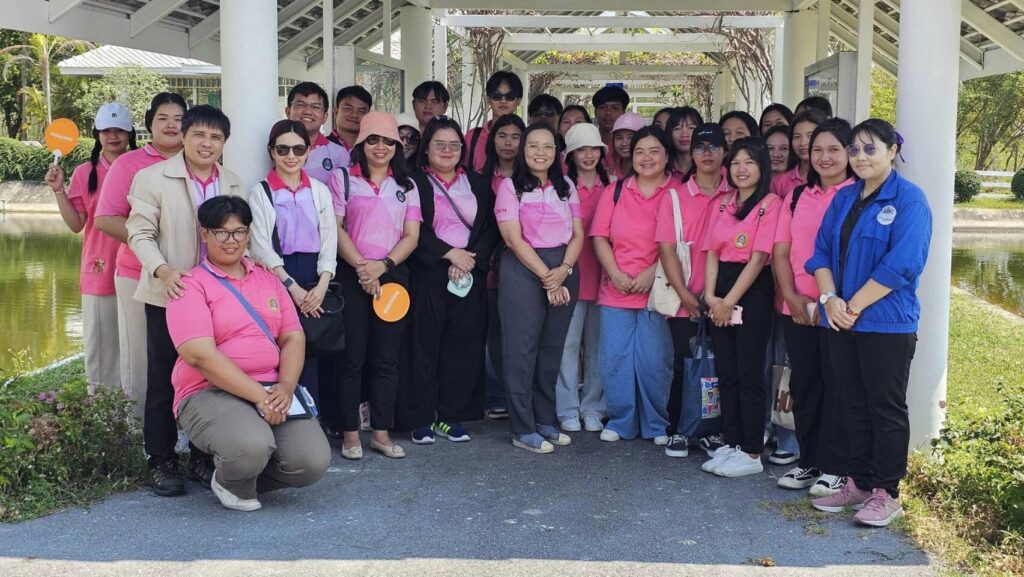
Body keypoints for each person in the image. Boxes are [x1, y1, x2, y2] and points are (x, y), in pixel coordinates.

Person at [168, 196, 330, 512]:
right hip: (209, 390)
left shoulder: (268, 279)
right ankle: (233, 482)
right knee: (251, 445)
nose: (231, 240)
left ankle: (241, 475)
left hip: (271, 387)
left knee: (311, 461)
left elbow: (293, 337)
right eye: (222, 232)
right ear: (205, 234)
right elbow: (199, 355)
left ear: (248, 233)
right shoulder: (190, 284)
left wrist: (285, 387)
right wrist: (260, 396)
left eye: (239, 232)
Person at [807, 119, 931, 527]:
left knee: (885, 407)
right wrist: (829, 299)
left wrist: (852, 306)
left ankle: (886, 492)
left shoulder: (910, 200)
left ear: (892, 151)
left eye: (870, 148)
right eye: (855, 150)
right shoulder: (845, 198)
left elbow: (903, 264)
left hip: (885, 324)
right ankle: (858, 482)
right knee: (851, 403)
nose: (860, 157)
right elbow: (820, 253)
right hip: (841, 320)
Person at [126, 105, 247, 497]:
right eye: (199, 134)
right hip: (170, 294)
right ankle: (161, 459)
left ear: (224, 143)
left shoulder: (232, 182)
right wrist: (164, 272)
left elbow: (242, 238)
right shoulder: (152, 178)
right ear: (184, 135)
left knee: (212, 376)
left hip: (219, 299)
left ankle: (201, 455)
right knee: (163, 378)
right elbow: (139, 234)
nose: (206, 143)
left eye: (216, 137)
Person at [329, 112, 421, 460]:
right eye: (373, 140)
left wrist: (382, 267)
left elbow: (411, 236)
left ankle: (381, 431)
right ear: (361, 144)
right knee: (351, 358)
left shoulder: (407, 185)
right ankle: (350, 433)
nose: (380, 147)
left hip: (392, 276)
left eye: (388, 141)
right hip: (352, 274)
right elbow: (336, 228)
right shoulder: (342, 178)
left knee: (387, 358)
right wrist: (363, 269)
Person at [773, 118, 855, 495]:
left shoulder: (857, 195)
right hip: (798, 308)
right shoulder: (797, 196)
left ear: (849, 153)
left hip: (840, 310)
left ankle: (837, 468)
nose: (824, 157)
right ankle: (809, 461)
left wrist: (829, 300)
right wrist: (791, 298)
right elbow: (781, 251)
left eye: (834, 149)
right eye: (817, 149)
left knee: (838, 387)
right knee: (805, 386)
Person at [404, 116, 498, 444]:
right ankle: (420, 417)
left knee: (463, 346)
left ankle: (450, 415)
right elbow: (411, 229)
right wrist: (448, 254)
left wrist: (469, 259)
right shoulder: (412, 182)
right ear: (426, 147)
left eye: (454, 145)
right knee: (423, 346)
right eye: (440, 144)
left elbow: (490, 228)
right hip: (427, 272)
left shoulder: (478, 183)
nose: (447, 150)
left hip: (468, 273)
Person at [96, 92, 187, 422]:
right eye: (163, 118)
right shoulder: (129, 164)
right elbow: (106, 218)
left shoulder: (198, 161)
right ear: (150, 124)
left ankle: (180, 427)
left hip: (186, 278)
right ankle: (138, 430)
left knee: (185, 354)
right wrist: (152, 248)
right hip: (137, 275)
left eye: (178, 119)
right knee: (141, 357)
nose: (171, 125)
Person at [494, 122, 584, 454]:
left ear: (557, 152)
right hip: (524, 269)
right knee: (521, 350)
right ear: (523, 150)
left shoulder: (566, 186)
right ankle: (522, 427)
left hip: (564, 267)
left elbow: (578, 234)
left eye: (547, 146)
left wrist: (564, 270)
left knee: (551, 349)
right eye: (533, 145)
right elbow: (512, 238)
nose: (540, 152)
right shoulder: (510, 187)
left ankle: (545, 419)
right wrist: (549, 276)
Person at [699, 137, 781, 478]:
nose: (741, 169)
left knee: (749, 373)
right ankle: (731, 442)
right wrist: (710, 296)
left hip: (751, 290)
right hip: (719, 291)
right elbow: (711, 252)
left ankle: (751, 450)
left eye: (749, 162)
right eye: (735, 163)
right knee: (727, 372)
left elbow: (759, 258)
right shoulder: (722, 203)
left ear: (762, 167)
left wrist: (729, 301)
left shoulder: (771, 204)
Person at [591, 126, 676, 446]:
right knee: (615, 359)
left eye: (654, 151)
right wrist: (614, 272)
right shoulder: (616, 191)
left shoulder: (678, 192)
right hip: (617, 288)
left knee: (654, 360)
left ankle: (656, 423)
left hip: (660, 290)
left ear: (667, 155)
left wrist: (653, 273)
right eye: (640, 151)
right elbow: (599, 236)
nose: (646, 158)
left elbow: (684, 243)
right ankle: (621, 420)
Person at [45, 102, 136, 391]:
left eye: (119, 130)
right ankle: (101, 406)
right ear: (97, 134)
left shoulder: (142, 168)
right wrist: (59, 190)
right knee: (101, 347)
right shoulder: (85, 172)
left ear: (130, 133)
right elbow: (76, 224)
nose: (113, 136)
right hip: (101, 268)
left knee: (136, 346)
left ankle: (134, 407)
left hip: (139, 268)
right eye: (106, 131)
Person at [247, 119, 338, 404]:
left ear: (308, 152)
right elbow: (260, 246)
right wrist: (292, 287)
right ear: (271, 151)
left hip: (314, 276)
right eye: (282, 149)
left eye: (298, 149)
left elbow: (329, 240)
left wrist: (322, 285)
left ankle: (313, 415)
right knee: (282, 346)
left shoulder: (319, 191)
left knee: (314, 346)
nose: (291, 156)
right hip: (278, 276)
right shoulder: (261, 192)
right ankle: (279, 410)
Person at [657, 123, 734, 458]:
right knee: (684, 364)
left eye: (714, 147)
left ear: (725, 152)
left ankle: (712, 430)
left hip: (725, 297)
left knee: (720, 367)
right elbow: (666, 248)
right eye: (700, 148)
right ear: (691, 153)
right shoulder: (674, 196)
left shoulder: (736, 192)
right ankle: (678, 429)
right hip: (684, 296)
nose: (707, 154)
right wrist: (685, 295)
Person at [556, 123, 611, 433]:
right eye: (581, 150)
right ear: (571, 155)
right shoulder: (561, 188)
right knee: (567, 345)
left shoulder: (614, 186)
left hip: (605, 278)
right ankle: (566, 408)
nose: (588, 155)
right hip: (570, 275)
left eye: (594, 149)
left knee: (598, 349)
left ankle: (594, 407)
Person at [480, 113, 526, 421]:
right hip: (486, 269)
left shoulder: (531, 178)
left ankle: (520, 397)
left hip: (523, 267)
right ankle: (495, 395)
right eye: (502, 136)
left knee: (519, 337)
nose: (508, 143)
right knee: (492, 335)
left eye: (515, 136)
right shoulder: (480, 178)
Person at [285, 81, 349, 187]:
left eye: (315, 107)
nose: (308, 111)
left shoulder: (338, 154)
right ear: (288, 112)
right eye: (301, 105)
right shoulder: (277, 149)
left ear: (324, 117)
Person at [464, 71, 523, 172]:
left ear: (518, 100)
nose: (503, 101)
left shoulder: (527, 137)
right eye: (497, 96)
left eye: (509, 96)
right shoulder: (472, 137)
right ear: (488, 99)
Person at [771, 110, 826, 200]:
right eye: (797, 137)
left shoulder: (830, 177)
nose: (802, 143)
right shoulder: (779, 182)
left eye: (810, 136)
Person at [329, 85, 372, 152]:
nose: (354, 115)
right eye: (348, 109)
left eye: (361, 111)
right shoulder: (319, 147)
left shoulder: (373, 149)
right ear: (336, 112)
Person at [667, 107, 704, 179]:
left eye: (691, 128)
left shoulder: (711, 165)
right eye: (677, 128)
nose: (684, 134)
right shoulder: (662, 167)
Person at [608, 112, 645, 180]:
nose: (624, 143)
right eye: (619, 138)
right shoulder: (609, 164)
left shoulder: (648, 168)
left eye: (630, 137)